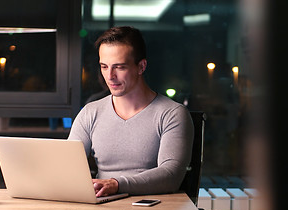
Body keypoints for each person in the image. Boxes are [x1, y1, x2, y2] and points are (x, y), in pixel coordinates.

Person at [68, 26, 194, 197]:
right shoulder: (90, 112)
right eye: (104, 67)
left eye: (119, 67)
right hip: (103, 205)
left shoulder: (172, 114)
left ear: (141, 67)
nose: (110, 76)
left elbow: (171, 175)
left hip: (155, 209)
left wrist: (117, 184)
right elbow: (67, 166)